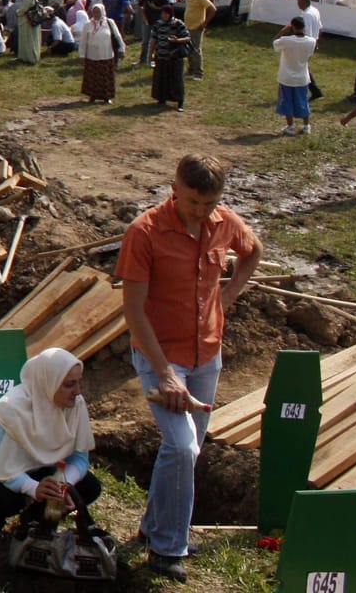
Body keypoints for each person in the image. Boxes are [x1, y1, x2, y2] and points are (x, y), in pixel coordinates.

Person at [117, 154, 261, 581]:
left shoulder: (225, 222)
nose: (201, 211)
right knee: (182, 447)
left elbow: (252, 252)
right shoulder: (144, 233)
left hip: (207, 357)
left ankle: (153, 528)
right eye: (194, 201)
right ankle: (166, 549)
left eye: (209, 203)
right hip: (161, 356)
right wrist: (164, 373)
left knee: (186, 450)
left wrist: (228, 296)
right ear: (175, 188)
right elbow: (134, 311)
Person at [0, 347, 100, 540]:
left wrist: (63, 485)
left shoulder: (76, 405)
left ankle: (34, 521)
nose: (77, 391)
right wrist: (33, 489)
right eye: (69, 384)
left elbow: (80, 458)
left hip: (35, 465)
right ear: (49, 383)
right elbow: (4, 468)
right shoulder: (9, 411)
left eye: (78, 382)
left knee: (88, 487)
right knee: (8, 498)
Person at [274, 16, 318, 135]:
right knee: (303, 101)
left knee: (286, 102)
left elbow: (275, 43)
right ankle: (306, 126)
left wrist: (283, 31)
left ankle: (290, 126)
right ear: (304, 27)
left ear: (292, 27)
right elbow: (310, 55)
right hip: (302, 77)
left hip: (286, 77)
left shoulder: (286, 40)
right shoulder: (311, 41)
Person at [77, 7, 123, 105]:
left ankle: (107, 97)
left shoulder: (109, 23)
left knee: (105, 77)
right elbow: (83, 41)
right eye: (94, 12)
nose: (96, 14)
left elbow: (117, 36)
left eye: (98, 11)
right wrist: (81, 55)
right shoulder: (88, 25)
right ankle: (92, 96)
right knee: (93, 77)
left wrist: (122, 49)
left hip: (106, 54)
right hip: (92, 55)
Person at [149, 5, 191, 111]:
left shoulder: (178, 24)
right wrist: (151, 55)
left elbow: (187, 38)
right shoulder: (158, 24)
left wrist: (177, 40)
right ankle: (161, 98)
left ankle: (180, 102)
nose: (164, 16)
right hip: (161, 56)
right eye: (163, 13)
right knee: (161, 79)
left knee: (176, 80)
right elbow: (154, 40)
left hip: (174, 57)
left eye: (166, 14)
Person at [182, 0, 215, 79]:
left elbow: (212, 9)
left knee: (195, 50)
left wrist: (204, 23)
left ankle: (198, 73)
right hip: (188, 26)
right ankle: (191, 69)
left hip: (196, 27)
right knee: (188, 49)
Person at [13, 0, 42, 64]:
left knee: (28, 40)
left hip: (27, 21)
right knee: (31, 39)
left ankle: (29, 58)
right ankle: (24, 57)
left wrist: (17, 12)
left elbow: (23, 9)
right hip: (31, 20)